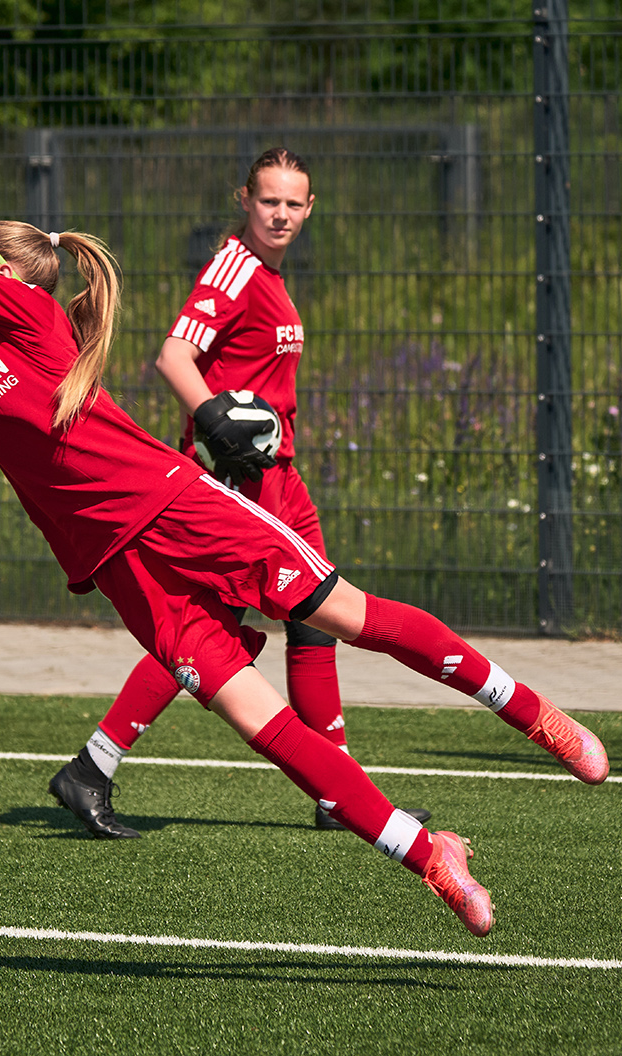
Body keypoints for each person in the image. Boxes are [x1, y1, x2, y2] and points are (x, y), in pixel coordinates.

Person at [0, 150, 610, 937]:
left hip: (181, 509)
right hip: (122, 571)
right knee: (254, 721)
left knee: (343, 615)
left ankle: (535, 715)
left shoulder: (30, 315)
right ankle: (431, 859)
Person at [46, 148, 429, 838]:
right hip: (239, 479)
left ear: (310, 208)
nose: (280, 214)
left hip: (283, 473)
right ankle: (93, 764)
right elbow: (174, 355)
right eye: (268, 201)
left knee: (316, 620)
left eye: (293, 203)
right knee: (214, 633)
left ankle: (335, 791)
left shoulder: (273, 278)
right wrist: (215, 419)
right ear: (243, 201)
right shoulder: (236, 267)